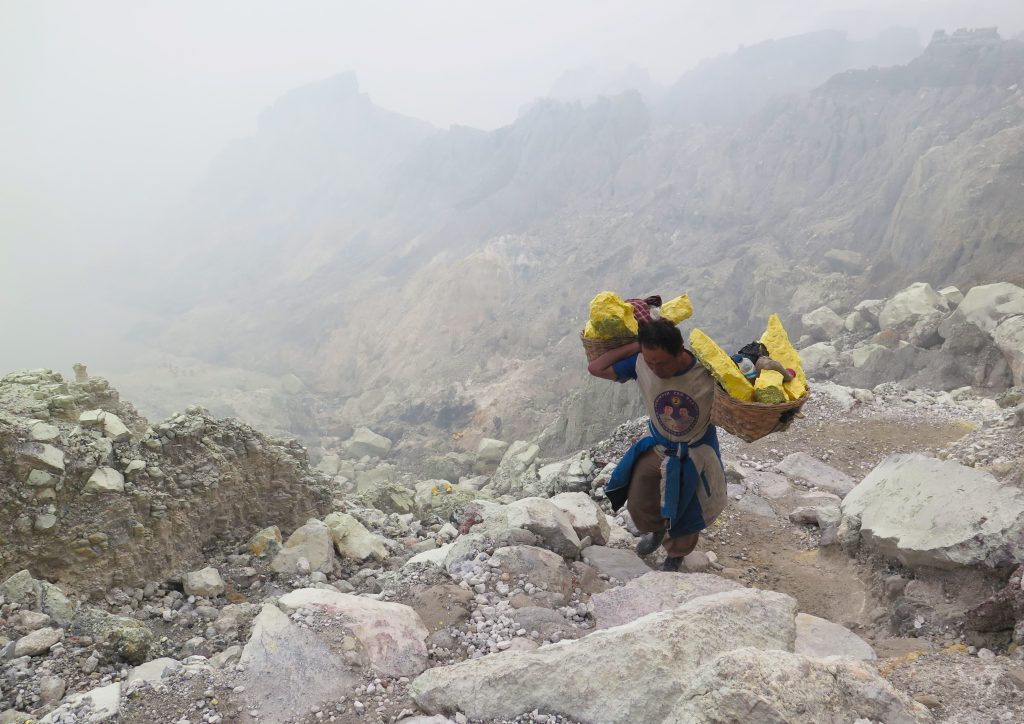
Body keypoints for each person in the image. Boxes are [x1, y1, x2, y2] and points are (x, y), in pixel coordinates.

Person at [587, 318, 727, 571]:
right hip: (658, 444)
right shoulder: (641, 363)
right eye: (650, 362)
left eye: (662, 363)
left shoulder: (707, 372)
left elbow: (744, 388)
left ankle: (676, 553)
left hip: (694, 449)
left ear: (680, 350)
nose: (656, 369)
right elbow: (596, 367)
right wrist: (636, 347)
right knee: (640, 497)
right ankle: (656, 531)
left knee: (687, 507)